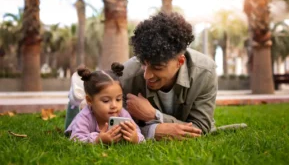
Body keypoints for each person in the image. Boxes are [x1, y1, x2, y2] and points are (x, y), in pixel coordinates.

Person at [65, 12, 217, 140]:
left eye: (157, 67)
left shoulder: (205, 73)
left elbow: (201, 128)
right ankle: (77, 98)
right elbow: (113, 125)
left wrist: (155, 116)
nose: (147, 75)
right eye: (144, 63)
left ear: (180, 61)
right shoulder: (127, 75)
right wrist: (154, 131)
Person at [65, 63, 145, 144]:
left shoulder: (122, 114)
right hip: (76, 122)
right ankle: (74, 101)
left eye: (118, 99)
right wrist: (97, 140)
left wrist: (136, 138)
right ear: (89, 100)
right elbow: (75, 139)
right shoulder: (85, 116)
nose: (114, 106)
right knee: (74, 111)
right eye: (106, 101)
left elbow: (139, 134)